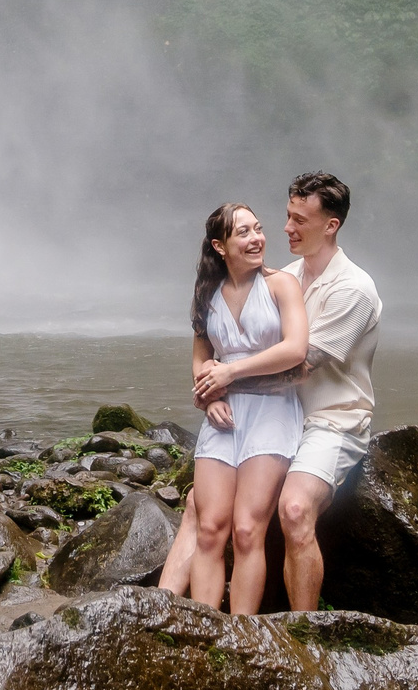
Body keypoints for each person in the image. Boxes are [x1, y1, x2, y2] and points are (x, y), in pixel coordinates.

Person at [160, 171, 381, 612]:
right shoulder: (286, 274)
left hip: (328, 420)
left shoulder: (353, 289)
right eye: (285, 216)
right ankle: (158, 610)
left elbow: (300, 366)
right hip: (276, 414)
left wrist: (222, 380)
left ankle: (301, 634)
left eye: (298, 220)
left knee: (294, 510)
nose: (284, 229)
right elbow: (210, 339)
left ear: (330, 225)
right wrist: (211, 391)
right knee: (199, 505)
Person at [179, 201, 310, 615]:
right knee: (210, 529)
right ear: (220, 246)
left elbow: (295, 349)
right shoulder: (207, 294)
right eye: (244, 233)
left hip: (271, 412)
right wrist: (210, 393)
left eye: (258, 229)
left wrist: (230, 374)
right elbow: (201, 358)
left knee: (247, 530)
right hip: (223, 417)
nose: (257, 239)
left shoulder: (280, 285)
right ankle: (205, 627)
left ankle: (242, 633)